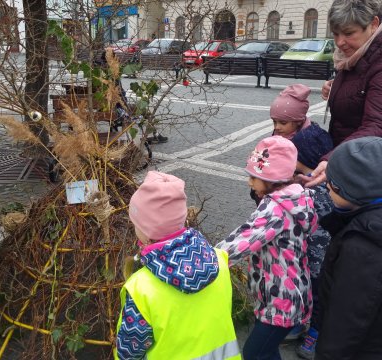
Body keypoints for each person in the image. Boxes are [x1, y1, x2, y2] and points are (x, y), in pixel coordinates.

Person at [116, 171, 240, 360]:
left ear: (147, 232)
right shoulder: (219, 260)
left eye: (136, 224)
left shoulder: (141, 289)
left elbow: (130, 349)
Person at [217, 136, 317, 360]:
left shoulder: (275, 209)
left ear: (273, 178)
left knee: (254, 353)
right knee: (267, 350)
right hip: (290, 293)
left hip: (280, 300)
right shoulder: (296, 197)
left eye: (254, 177)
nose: (250, 183)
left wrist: (208, 259)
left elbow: (243, 240)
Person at [315, 137, 382, 360]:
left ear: (352, 192)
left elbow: (346, 321)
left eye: (332, 184)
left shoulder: (362, 247)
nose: (326, 186)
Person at [303, 0, 382, 188]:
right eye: (336, 34)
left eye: (348, 33)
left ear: (373, 25)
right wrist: (334, 88)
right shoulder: (355, 55)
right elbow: (359, 86)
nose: (339, 42)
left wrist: (333, 159)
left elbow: (377, 124)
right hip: (346, 151)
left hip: (364, 166)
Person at [290, 125, 334, 359]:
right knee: (306, 289)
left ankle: (315, 332)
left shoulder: (317, 190)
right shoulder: (307, 185)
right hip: (307, 257)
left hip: (322, 260)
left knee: (319, 295)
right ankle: (303, 321)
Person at [250, 84, 312, 206]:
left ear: (298, 121)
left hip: (291, 201)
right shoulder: (280, 135)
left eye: (283, 123)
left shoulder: (308, 141)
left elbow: (312, 174)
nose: (277, 127)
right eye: (274, 122)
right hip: (268, 194)